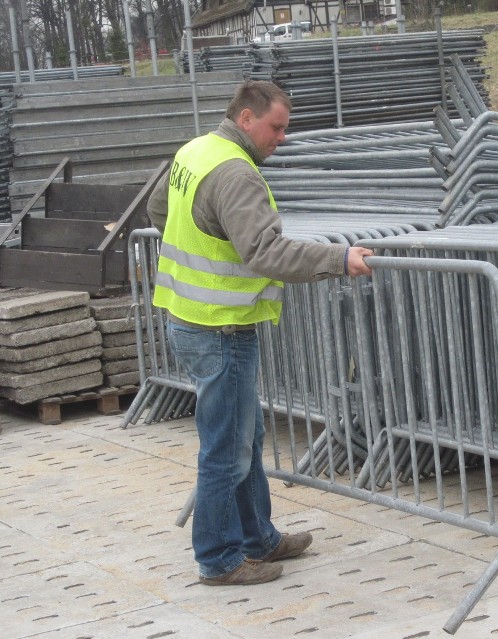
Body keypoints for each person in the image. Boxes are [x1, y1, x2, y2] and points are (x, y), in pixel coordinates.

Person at [147, 80, 373, 586]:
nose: (282, 137)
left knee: (242, 438)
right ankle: (219, 559)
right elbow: (267, 252)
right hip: (220, 328)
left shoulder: (196, 150)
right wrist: (338, 258)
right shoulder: (236, 173)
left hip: (190, 318)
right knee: (226, 450)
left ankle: (259, 539)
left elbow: (157, 213)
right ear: (246, 119)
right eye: (277, 127)